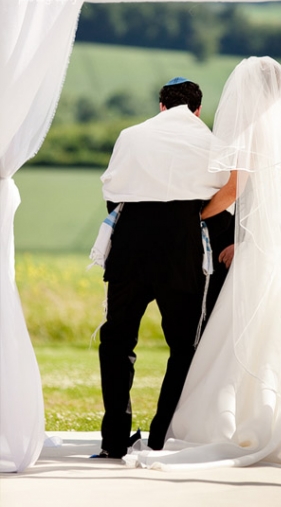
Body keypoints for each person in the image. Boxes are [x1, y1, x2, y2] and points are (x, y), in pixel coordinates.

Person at [125, 56, 281, 469]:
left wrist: (193, 216)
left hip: (264, 246)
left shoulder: (254, 131)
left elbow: (232, 192)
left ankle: (247, 417)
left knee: (250, 334)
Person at [94, 78, 231, 458]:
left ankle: (114, 439)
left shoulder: (131, 136)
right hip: (182, 252)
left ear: (161, 105)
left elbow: (112, 193)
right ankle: (160, 435)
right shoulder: (211, 143)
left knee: (116, 343)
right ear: (198, 109)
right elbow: (222, 200)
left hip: (130, 249)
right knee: (185, 347)